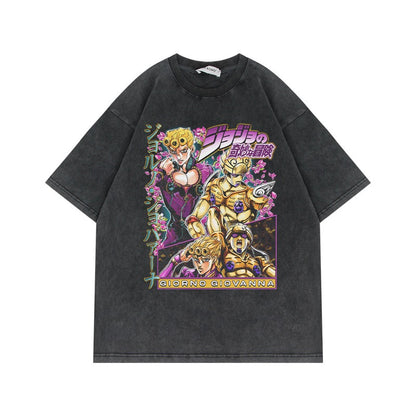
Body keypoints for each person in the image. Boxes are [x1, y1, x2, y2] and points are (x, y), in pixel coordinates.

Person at [156, 127, 212, 245]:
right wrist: (161, 170)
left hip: (198, 231)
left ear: (191, 148)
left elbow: (187, 179)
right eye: (174, 152)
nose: (179, 156)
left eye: (184, 151)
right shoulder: (162, 173)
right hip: (174, 234)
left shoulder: (204, 170)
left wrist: (170, 172)